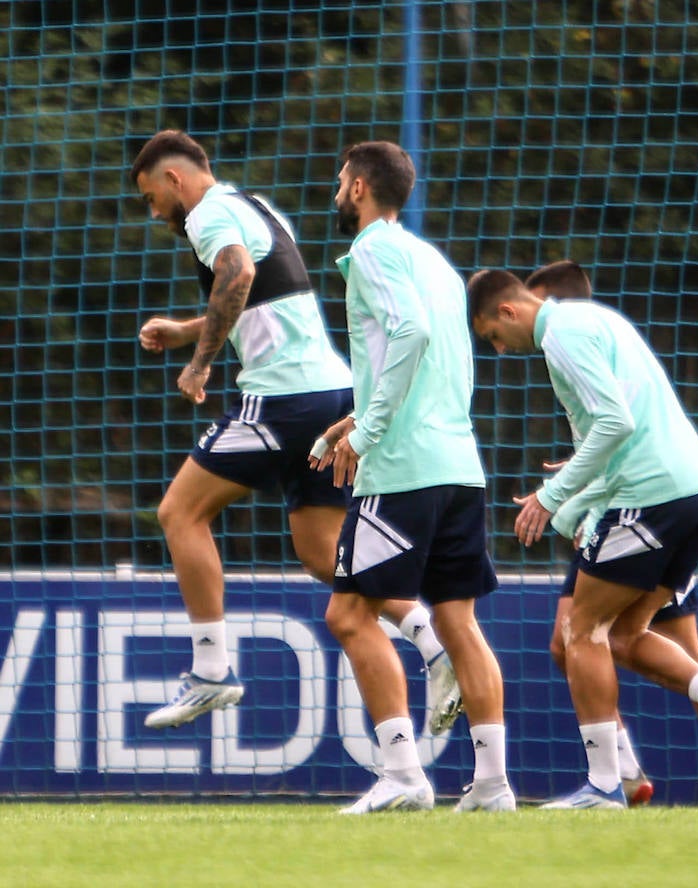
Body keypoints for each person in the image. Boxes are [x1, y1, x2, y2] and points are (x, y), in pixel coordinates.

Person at [130, 131, 459, 735]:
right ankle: (434, 644)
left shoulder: (207, 214)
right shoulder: (256, 206)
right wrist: (187, 331)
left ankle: (211, 671)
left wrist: (200, 361)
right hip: (329, 394)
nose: (156, 212)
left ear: (175, 180)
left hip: (283, 399)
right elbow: (262, 295)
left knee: (179, 512)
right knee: (318, 550)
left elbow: (236, 271)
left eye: (153, 197)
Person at [468, 268, 698, 810]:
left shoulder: (560, 337)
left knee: (581, 630)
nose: (500, 350)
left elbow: (615, 424)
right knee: (626, 633)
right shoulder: (595, 321)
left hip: (653, 498)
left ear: (509, 312)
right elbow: (616, 437)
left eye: (492, 335)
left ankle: (607, 784)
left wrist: (551, 496)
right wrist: (571, 504)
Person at [313, 140, 513, 814]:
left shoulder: (371, 250)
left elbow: (413, 335)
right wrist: (354, 421)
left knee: (348, 613)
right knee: (458, 623)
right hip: (459, 464)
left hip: (403, 469)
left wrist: (367, 434)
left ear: (362, 186)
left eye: (342, 180)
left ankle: (403, 775)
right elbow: (432, 362)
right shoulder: (431, 259)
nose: (337, 191)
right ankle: (493, 786)